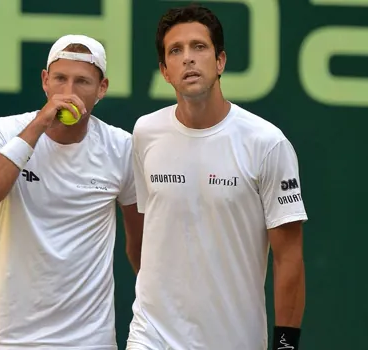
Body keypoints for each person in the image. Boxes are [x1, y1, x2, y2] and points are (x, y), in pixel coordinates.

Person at [126, 4, 307, 350]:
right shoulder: (145, 133)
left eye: (199, 47)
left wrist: (287, 345)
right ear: (164, 71)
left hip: (235, 338)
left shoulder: (267, 143)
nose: (188, 59)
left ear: (220, 61)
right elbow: (147, 235)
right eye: (175, 51)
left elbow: (289, 256)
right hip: (152, 335)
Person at [0, 34, 144, 350]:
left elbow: (140, 243)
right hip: (11, 339)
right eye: (60, 79)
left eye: (83, 82)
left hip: (90, 341)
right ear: (45, 81)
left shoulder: (122, 148)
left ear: (101, 89)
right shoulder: (3, 132)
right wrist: (38, 126)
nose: (69, 92)